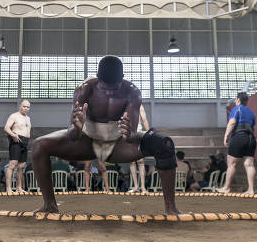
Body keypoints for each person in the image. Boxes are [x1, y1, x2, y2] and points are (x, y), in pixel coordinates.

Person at [31, 56, 178, 214]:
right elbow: (72, 136)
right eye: (104, 87)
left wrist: (129, 134)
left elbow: (131, 135)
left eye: (114, 88)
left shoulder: (132, 92)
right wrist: (76, 128)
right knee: (39, 145)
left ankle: (171, 208)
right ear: (97, 78)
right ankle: (50, 205)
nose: (108, 92)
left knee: (164, 144)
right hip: (86, 141)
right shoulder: (84, 89)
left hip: (118, 144)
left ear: (122, 79)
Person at [217, 92, 256, 194]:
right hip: (251, 138)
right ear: (246, 101)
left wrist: (226, 135)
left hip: (239, 136)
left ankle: (226, 188)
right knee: (249, 164)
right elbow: (253, 127)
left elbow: (232, 122)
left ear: (238, 100)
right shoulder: (251, 112)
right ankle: (251, 189)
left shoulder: (236, 109)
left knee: (232, 163)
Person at [4, 99, 31, 193]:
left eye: (28, 107)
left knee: (21, 166)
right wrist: (13, 135)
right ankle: (8, 188)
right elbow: (6, 128)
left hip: (25, 142)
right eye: (24, 106)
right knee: (12, 164)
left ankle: (19, 187)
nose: (26, 108)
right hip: (16, 140)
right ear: (20, 106)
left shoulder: (28, 118)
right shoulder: (14, 116)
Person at [128, 105, 149, 193]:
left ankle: (143, 187)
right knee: (131, 161)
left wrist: (149, 134)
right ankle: (136, 186)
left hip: (138, 132)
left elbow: (144, 120)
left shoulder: (139, 106)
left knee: (140, 161)